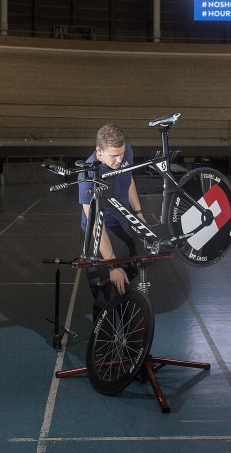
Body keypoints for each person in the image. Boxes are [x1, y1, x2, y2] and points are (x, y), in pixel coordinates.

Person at [78, 123, 148, 319]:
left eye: (122, 154)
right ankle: (103, 348)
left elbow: (129, 179)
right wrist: (113, 265)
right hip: (98, 235)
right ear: (99, 151)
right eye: (113, 156)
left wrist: (138, 215)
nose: (120, 160)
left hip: (122, 227)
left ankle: (134, 349)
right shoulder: (88, 176)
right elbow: (94, 223)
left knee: (130, 294)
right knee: (106, 299)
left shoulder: (125, 152)